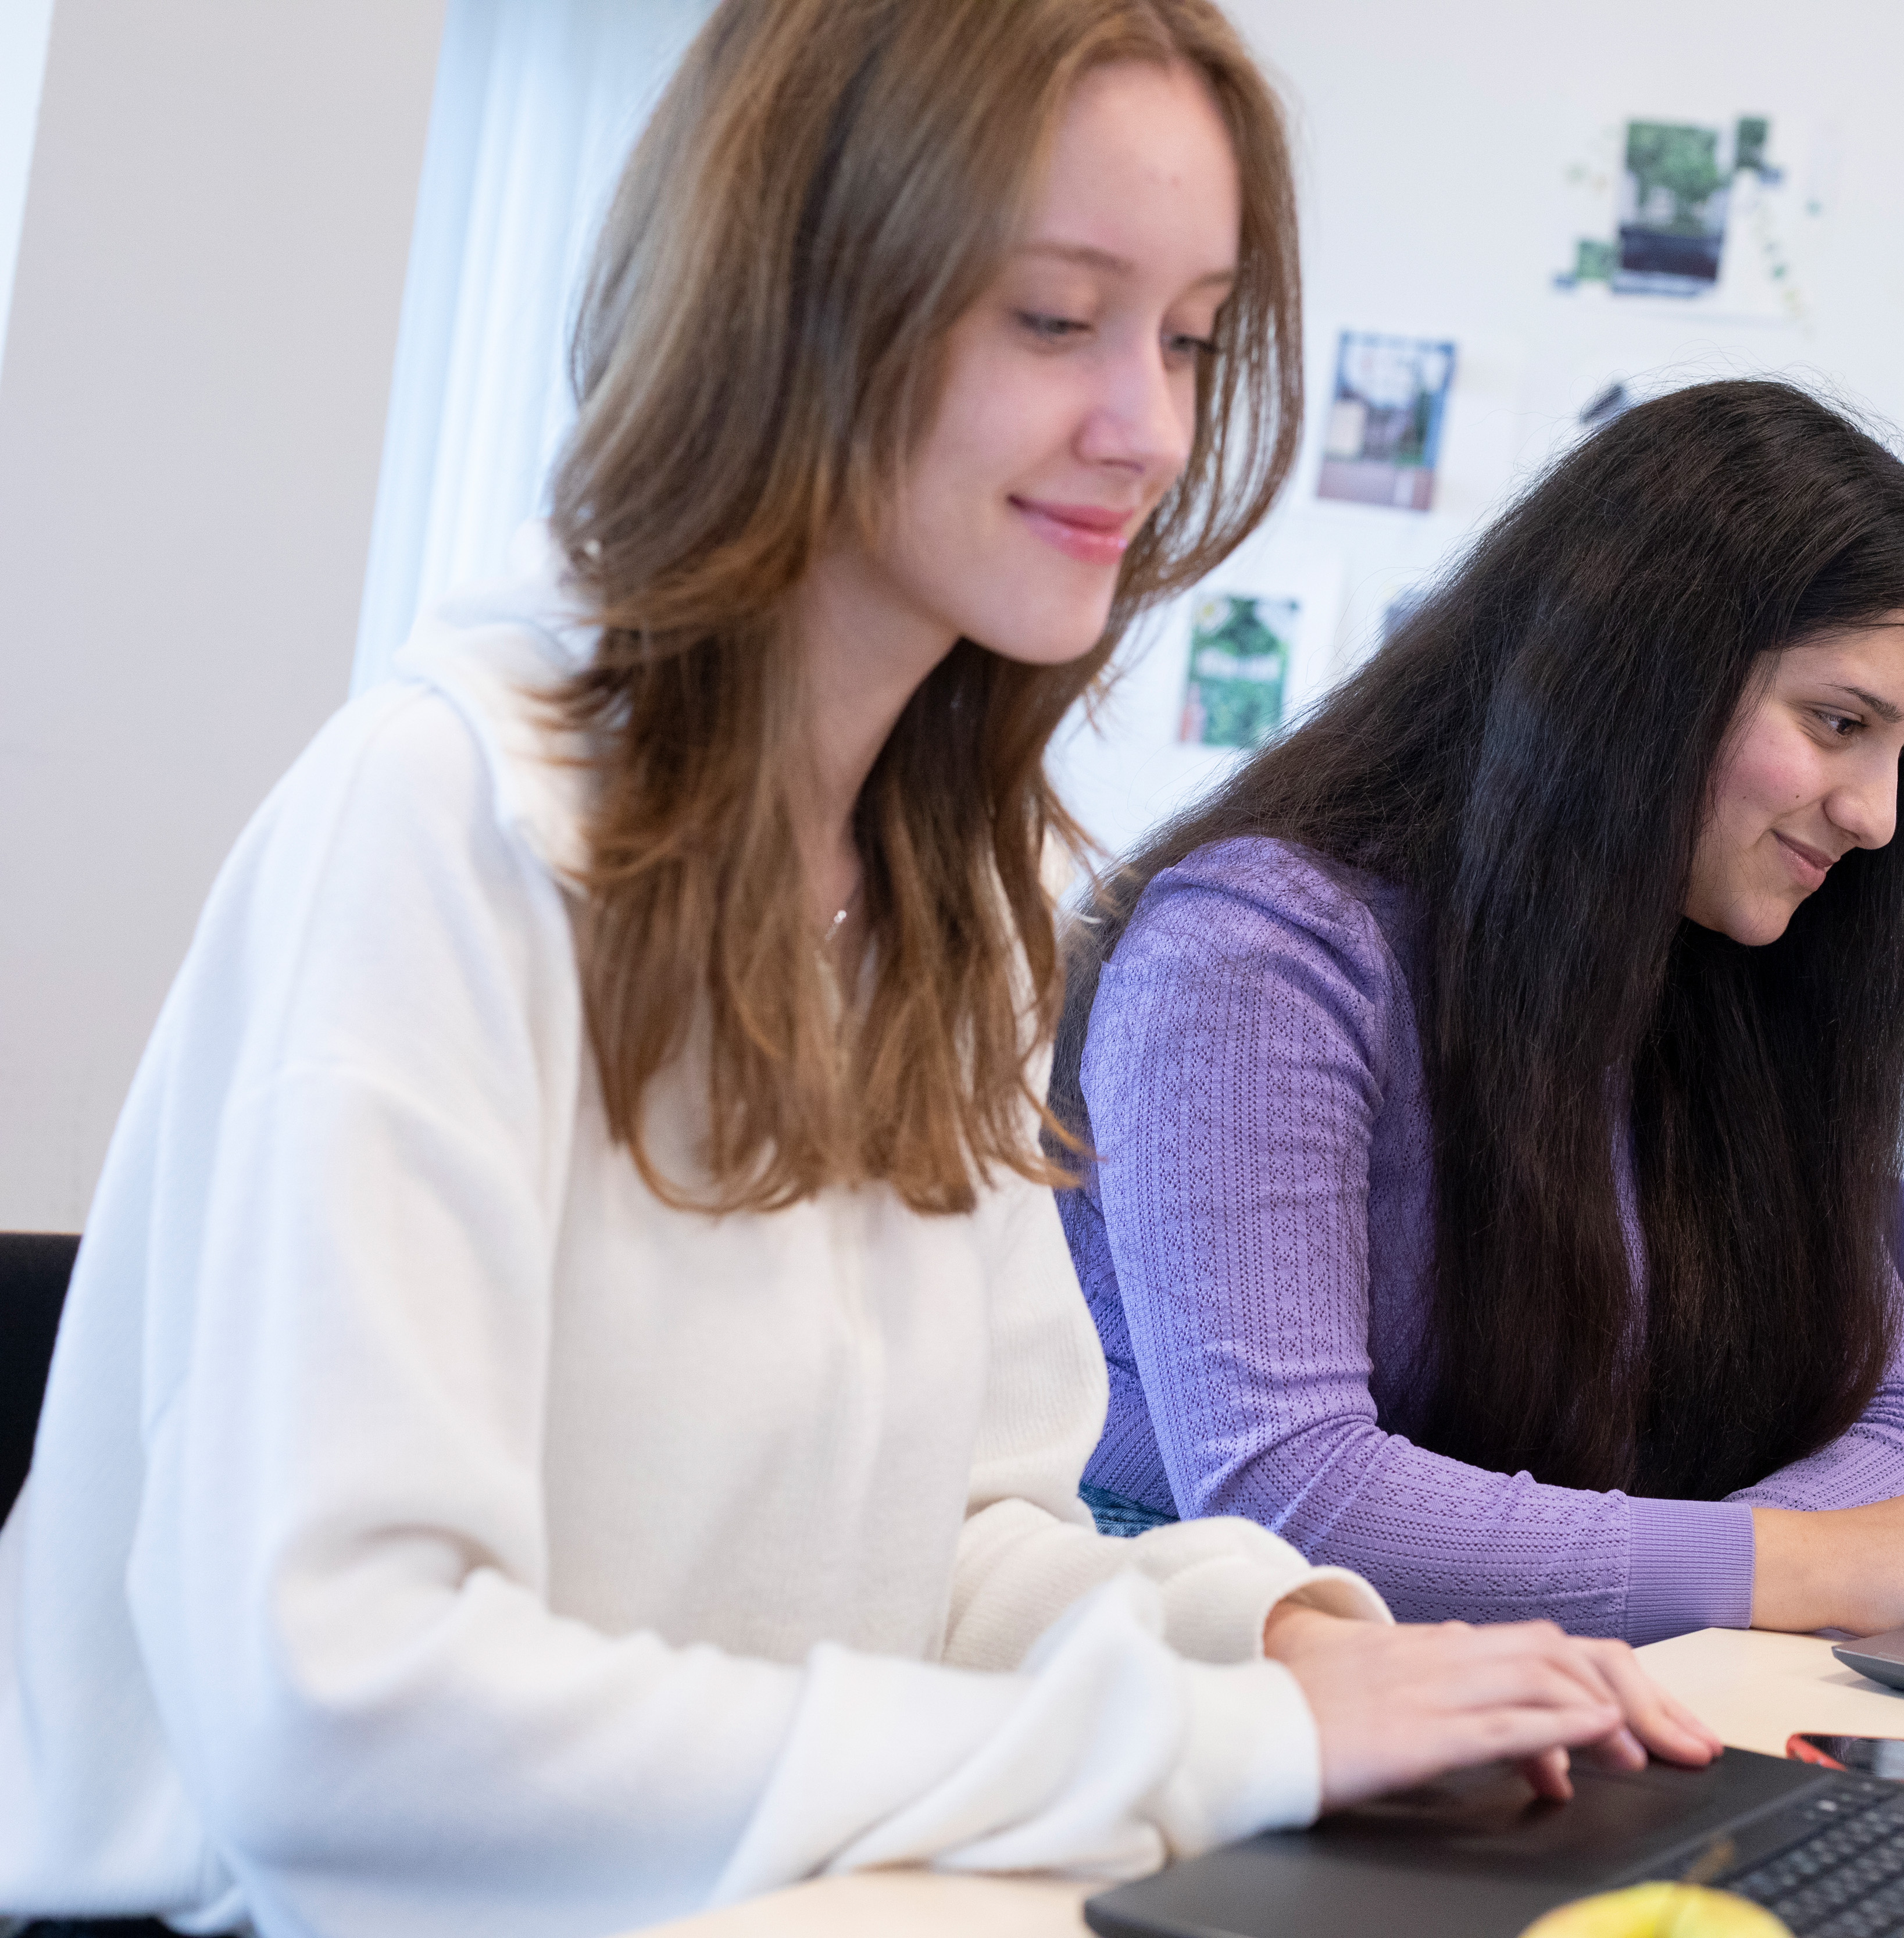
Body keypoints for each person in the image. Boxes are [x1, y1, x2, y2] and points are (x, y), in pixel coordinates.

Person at [0, 5, 1707, 1934]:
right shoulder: (446, 818)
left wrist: (1287, 1638)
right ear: (796, 307)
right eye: (1057, 319)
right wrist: (1228, 1743)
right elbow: (346, 1732)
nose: (1147, 428)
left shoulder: (942, 895)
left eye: (1190, 336)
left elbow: (956, 1559)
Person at [1054, 380, 1904, 1646]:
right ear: (1643, 672)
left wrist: (1730, 1569)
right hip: (1226, 1687)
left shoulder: (1710, 953)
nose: (1878, 815)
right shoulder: (1254, 951)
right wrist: (1801, 1563)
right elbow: (1296, 1501)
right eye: (1838, 723)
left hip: (1560, 1681)